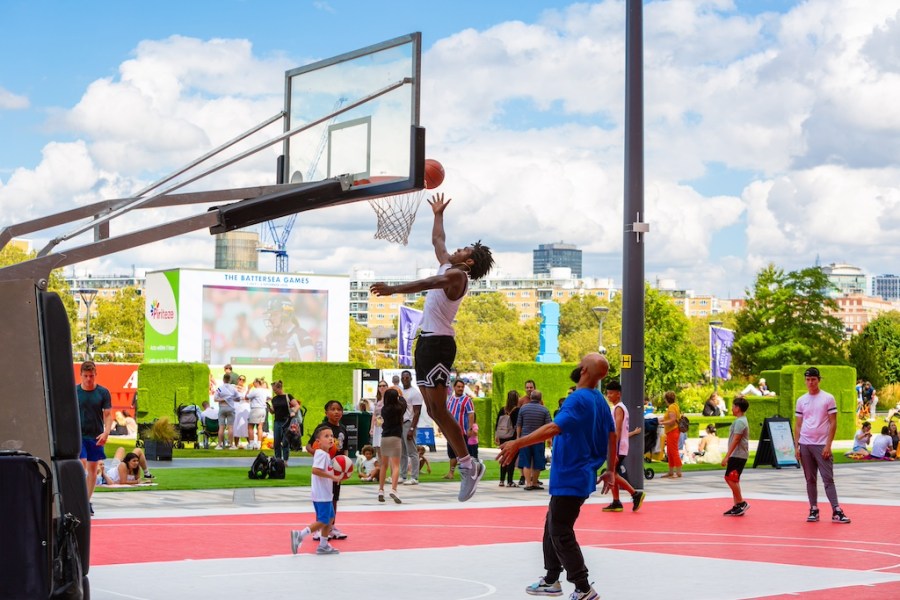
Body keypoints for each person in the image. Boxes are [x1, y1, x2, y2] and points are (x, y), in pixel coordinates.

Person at [369, 193, 494, 502]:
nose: (455, 249)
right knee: (435, 412)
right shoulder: (447, 264)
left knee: (439, 409)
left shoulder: (455, 275)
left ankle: (469, 464)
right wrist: (438, 214)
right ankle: (468, 463)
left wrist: (393, 289)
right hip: (426, 342)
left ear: (469, 262)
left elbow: (425, 284)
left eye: (463, 249)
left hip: (438, 344)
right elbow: (439, 241)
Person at [497, 353, 615, 600]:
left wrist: (517, 443)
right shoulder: (599, 400)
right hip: (579, 474)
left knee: (560, 530)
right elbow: (612, 436)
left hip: (571, 474)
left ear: (583, 370)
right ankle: (551, 579)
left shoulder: (578, 399)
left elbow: (553, 428)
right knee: (552, 525)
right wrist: (611, 469)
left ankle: (583, 587)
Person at [793, 367, 850, 524]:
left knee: (827, 478)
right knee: (810, 479)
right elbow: (798, 424)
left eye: (813, 379)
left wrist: (828, 445)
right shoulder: (801, 400)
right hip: (805, 444)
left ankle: (836, 510)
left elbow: (833, 423)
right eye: (808, 379)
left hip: (821, 445)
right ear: (805, 380)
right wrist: (796, 446)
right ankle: (813, 509)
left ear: (819, 380)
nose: (810, 382)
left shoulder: (828, 398)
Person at [290, 424, 343, 555]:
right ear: (318, 442)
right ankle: (300, 535)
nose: (330, 438)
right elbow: (315, 470)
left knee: (330, 518)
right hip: (321, 495)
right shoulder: (320, 454)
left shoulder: (326, 455)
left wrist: (336, 476)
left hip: (325, 493)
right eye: (326, 436)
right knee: (324, 520)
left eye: (331, 436)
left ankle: (323, 545)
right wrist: (332, 476)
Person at [306, 400, 350, 540]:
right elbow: (308, 446)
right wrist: (320, 456)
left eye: (339, 409)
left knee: (334, 498)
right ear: (326, 412)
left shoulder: (343, 429)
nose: (336, 412)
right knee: (322, 499)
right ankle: (319, 529)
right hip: (325, 471)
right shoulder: (322, 429)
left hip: (336, 471)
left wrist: (345, 466)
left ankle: (331, 527)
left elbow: (345, 450)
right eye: (333, 409)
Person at [602, 380, 645, 512]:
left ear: (618, 394)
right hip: (619, 445)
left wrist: (614, 450)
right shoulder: (618, 407)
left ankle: (635, 494)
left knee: (612, 474)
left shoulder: (619, 408)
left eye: (611, 393)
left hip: (618, 446)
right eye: (607, 393)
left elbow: (618, 429)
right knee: (613, 473)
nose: (609, 396)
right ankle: (616, 501)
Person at [77, 360, 114, 508]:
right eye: (85, 376)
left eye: (91, 376)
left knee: (93, 470)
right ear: (80, 375)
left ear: (95, 375)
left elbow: (108, 414)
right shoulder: (75, 391)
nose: (88, 379)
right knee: (82, 464)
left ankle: (86, 502)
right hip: (78, 435)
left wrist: (106, 432)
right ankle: (78, 499)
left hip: (96, 435)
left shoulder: (103, 392)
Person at [517, 389, 552, 491]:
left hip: (525, 439)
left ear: (531, 397)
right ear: (540, 398)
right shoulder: (544, 410)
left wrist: (518, 437)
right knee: (538, 461)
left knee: (526, 462)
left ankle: (528, 483)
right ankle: (535, 482)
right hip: (539, 439)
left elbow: (519, 424)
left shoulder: (523, 409)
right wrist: (549, 438)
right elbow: (549, 425)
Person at [721, 396, 751, 516]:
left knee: (729, 478)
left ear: (738, 408)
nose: (732, 408)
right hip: (738, 454)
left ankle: (741, 503)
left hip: (738, 455)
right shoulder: (741, 420)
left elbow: (736, 439)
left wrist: (727, 456)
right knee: (734, 479)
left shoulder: (740, 422)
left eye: (733, 406)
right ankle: (737, 505)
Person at [377, 387, 407, 504]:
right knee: (395, 466)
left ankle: (380, 490)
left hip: (385, 437)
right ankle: (394, 489)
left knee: (383, 465)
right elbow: (403, 400)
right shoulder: (400, 408)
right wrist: (399, 392)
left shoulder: (384, 409)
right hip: (396, 438)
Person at [444, 378, 476, 480]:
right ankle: (451, 473)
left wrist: (470, 428)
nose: (460, 389)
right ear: (454, 387)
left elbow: (471, 414)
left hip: (462, 431)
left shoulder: (467, 400)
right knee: (452, 453)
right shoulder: (450, 399)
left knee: (463, 453)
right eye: (458, 387)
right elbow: (447, 413)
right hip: (450, 431)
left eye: (462, 387)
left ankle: (469, 473)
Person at [399, 370, 424, 485]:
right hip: (401, 423)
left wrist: (412, 428)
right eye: (403, 378)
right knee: (402, 452)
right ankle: (402, 475)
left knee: (412, 452)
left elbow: (417, 412)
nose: (405, 379)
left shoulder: (415, 393)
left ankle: (414, 477)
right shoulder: (400, 391)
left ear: (411, 379)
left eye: (407, 378)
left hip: (409, 423)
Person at [267, 380, 299, 464]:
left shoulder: (288, 396)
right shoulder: (274, 399)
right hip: (277, 422)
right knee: (276, 442)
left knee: (285, 441)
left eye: (275, 390)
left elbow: (297, 405)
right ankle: (278, 460)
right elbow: (273, 411)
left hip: (287, 421)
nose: (274, 392)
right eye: (273, 390)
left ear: (279, 388)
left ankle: (285, 460)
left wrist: (293, 412)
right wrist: (268, 408)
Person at [495, 390, 519, 487]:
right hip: (512, 436)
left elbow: (497, 423)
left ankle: (501, 480)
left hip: (502, 436)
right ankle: (510, 481)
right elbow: (518, 425)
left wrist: (496, 435)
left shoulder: (502, 409)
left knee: (504, 457)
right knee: (511, 459)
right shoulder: (517, 410)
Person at [658, 391, 683, 478]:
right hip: (672, 431)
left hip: (673, 431)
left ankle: (678, 472)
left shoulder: (671, 407)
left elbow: (672, 420)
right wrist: (661, 420)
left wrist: (662, 423)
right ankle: (671, 471)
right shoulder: (674, 406)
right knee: (670, 451)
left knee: (673, 451)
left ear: (666, 399)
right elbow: (670, 418)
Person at [214, 373, 241, 449]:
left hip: (222, 408)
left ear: (223, 380)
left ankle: (219, 445)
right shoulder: (233, 388)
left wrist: (223, 399)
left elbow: (215, 399)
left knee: (221, 427)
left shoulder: (219, 388)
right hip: (230, 408)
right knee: (230, 427)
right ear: (229, 380)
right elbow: (238, 398)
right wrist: (230, 399)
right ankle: (231, 445)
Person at [246, 378, 270, 450]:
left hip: (255, 409)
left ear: (257, 383)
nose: (253, 384)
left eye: (254, 383)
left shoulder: (255, 391)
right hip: (263, 409)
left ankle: (251, 444)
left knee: (250, 427)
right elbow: (270, 398)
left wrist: (248, 389)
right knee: (260, 427)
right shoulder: (265, 391)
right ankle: (259, 444)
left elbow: (246, 397)